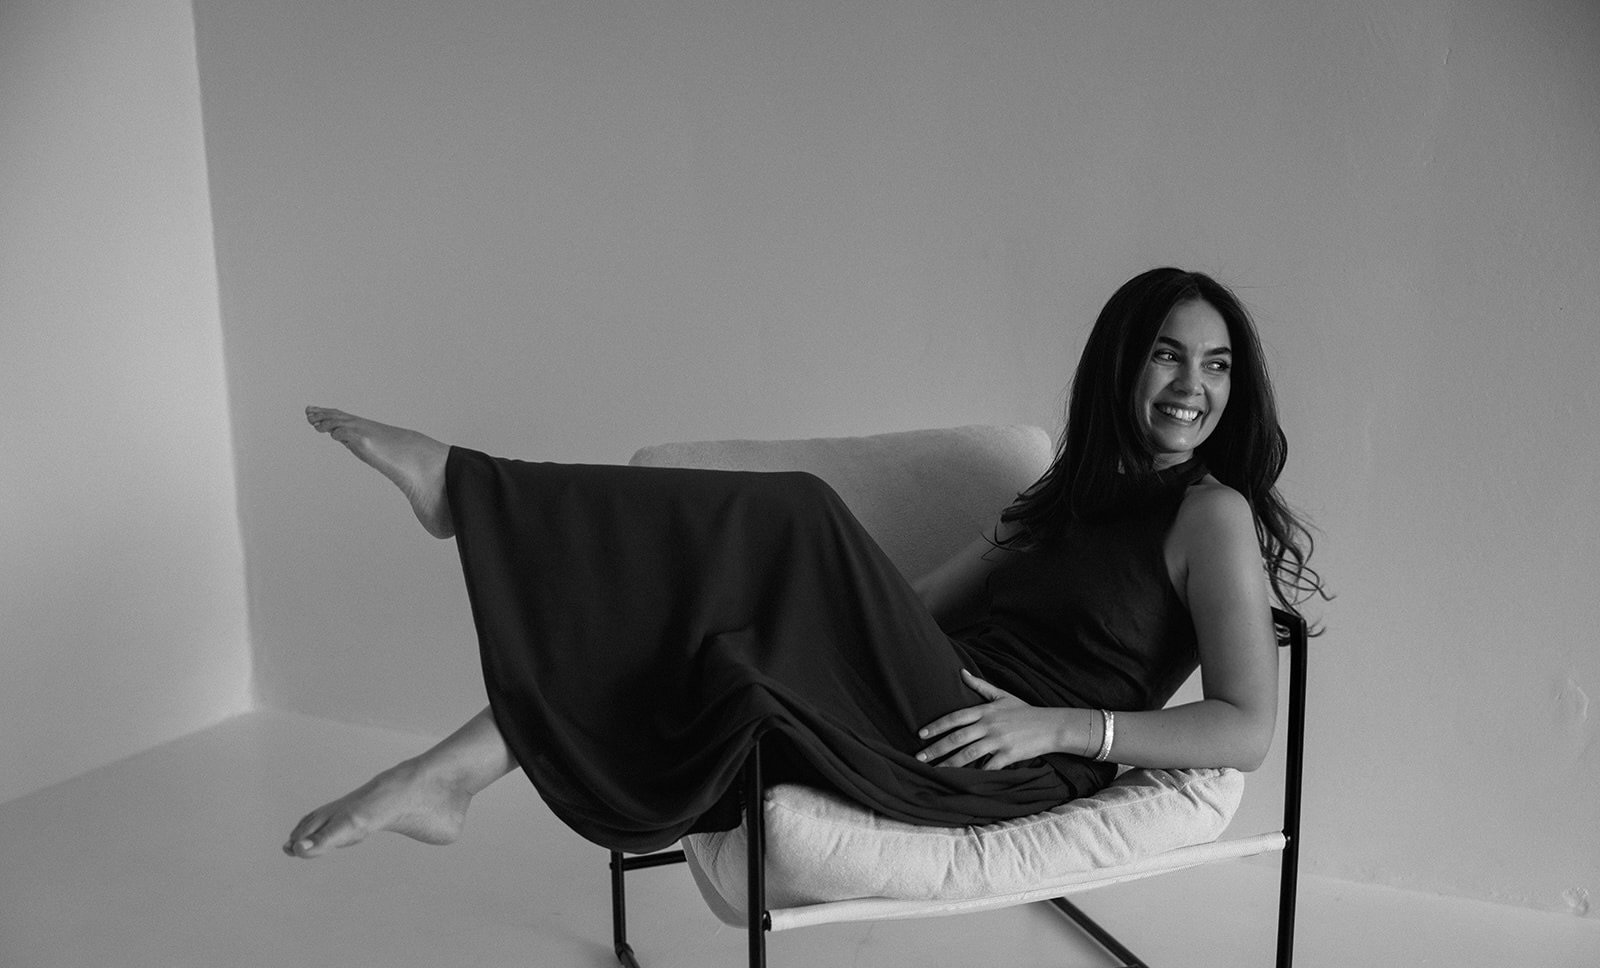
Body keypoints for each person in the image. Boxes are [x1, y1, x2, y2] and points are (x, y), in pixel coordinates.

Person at [283, 267, 1324, 860]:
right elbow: (919, 604)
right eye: (1169, 354)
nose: (1194, 386)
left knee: (798, 511)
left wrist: (1057, 724)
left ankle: (471, 494)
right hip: (928, 687)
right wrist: (817, 617)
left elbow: (1245, 726)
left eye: (1218, 364)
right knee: (719, 616)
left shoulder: (1210, 516)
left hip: (1007, 750)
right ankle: (445, 775)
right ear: (1121, 363)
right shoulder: (1061, 496)